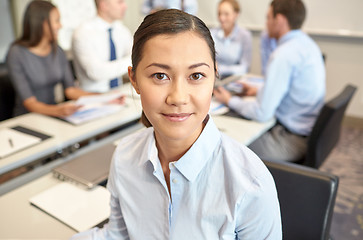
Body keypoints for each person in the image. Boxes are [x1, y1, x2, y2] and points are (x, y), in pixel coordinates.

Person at [71, 9, 281, 239]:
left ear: (214, 77)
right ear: (134, 80)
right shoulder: (124, 157)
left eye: (196, 76)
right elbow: (118, 235)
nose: (178, 97)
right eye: (160, 75)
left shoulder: (250, 184)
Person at [214, 0, 326, 162]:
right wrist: (258, 91)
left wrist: (230, 100)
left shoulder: (283, 55)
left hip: (291, 139)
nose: (265, 24)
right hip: (306, 131)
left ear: (279, 20)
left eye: (268, 18)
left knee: (230, 145)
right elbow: (291, 89)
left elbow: (261, 113)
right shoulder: (307, 44)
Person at [6, 0, 93, 117]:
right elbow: (29, 102)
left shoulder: (58, 50)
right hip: (28, 118)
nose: (60, 25)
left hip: (54, 113)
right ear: (42, 23)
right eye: (56, 21)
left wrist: (103, 97)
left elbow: (70, 90)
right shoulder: (16, 53)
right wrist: (58, 111)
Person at [72, 0, 132, 93]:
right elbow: (96, 72)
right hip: (92, 96)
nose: (125, 6)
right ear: (104, 5)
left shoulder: (122, 30)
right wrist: (133, 60)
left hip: (118, 92)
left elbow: (134, 58)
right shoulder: (83, 33)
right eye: (120, 2)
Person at [210, 0, 252, 79]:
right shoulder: (212, 34)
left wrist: (220, 69)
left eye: (226, 14)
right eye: (219, 14)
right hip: (214, 79)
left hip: (234, 81)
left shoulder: (245, 36)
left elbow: (244, 68)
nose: (222, 18)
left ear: (236, 14)